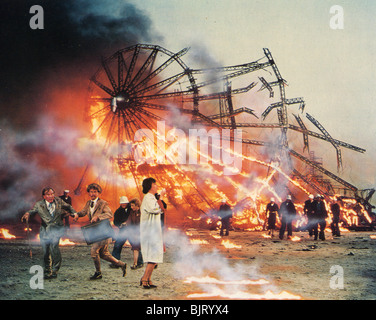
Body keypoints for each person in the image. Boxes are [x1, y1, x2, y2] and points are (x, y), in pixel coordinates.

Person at [73, 183, 126, 280]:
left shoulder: (103, 203)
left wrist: (98, 217)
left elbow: (110, 214)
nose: (93, 194)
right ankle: (122, 264)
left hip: (104, 233)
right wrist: (77, 214)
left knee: (94, 251)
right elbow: (83, 212)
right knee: (104, 254)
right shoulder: (89, 203)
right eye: (91, 192)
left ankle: (98, 273)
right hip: (96, 233)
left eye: (95, 192)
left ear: (98, 193)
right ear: (89, 193)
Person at [21, 187, 76, 279]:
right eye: (48, 194)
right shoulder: (39, 204)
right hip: (45, 230)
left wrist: (74, 213)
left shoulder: (59, 201)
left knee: (54, 247)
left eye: (52, 194)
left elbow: (69, 207)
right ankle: (47, 270)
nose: (51, 196)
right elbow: (33, 210)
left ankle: (55, 270)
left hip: (56, 228)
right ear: (44, 196)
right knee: (46, 251)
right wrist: (27, 214)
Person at [139, 178, 166, 289]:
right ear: (150, 186)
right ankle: (144, 278)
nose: (156, 185)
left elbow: (163, 208)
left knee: (155, 255)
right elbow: (157, 209)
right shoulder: (148, 198)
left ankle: (148, 278)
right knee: (153, 256)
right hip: (149, 232)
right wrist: (162, 197)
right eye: (154, 183)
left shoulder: (152, 198)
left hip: (154, 230)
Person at [110, 196, 131, 266]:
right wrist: (120, 225)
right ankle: (115, 262)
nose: (123, 205)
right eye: (122, 203)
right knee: (117, 244)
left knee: (137, 245)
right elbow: (115, 222)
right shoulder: (118, 211)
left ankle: (140, 262)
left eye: (125, 203)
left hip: (132, 230)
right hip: (123, 230)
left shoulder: (132, 209)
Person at [128, 198, 144, 270]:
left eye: (132, 205)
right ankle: (136, 263)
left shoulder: (143, 212)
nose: (131, 207)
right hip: (134, 233)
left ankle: (137, 263)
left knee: (137, 248)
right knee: (136, 248)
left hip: (142, 232)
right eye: (131, 206)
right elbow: (129, 221)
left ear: (137, 205)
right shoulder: (132, 212)